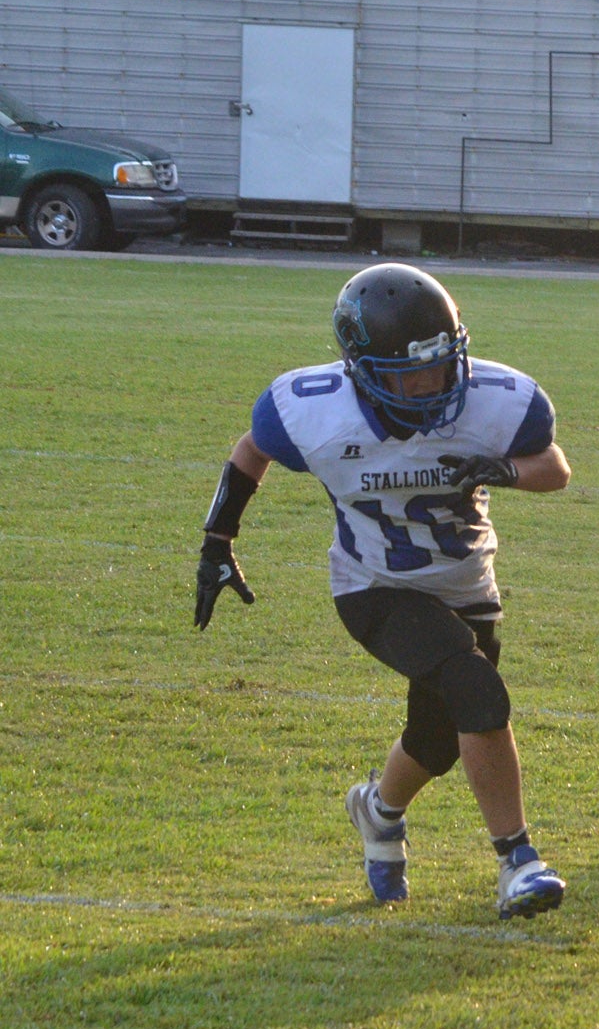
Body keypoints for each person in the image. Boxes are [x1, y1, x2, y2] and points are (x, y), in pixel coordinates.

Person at [193, 264, 573, 920]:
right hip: (374, 587)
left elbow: (554, 470)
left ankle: (378, 810)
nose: (430, 383)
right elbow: (252, 449)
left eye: (440, 363)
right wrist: (216, 544)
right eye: (408, 373)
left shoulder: (499, 396)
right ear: (361, 368)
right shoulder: (312, 409)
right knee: (479, 693)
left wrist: (500, 469)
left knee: (437, 739)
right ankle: (518, 862)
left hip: (465, 587)